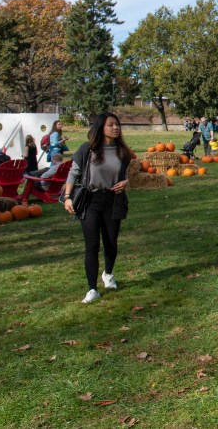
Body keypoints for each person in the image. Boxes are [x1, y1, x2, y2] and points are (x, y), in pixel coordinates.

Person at [62, 112, 135, 304]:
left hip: (114, 200)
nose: (115, 128)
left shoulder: (123, 151)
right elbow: (73, 173)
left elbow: (133, 174)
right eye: (111, 125)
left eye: (117, 124)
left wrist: (126, 181)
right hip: (91, 201)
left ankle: (108, 274)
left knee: (111, 243)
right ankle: (92, 288)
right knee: (91, 245)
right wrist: (68, 197)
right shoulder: (87, 149)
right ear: (101, 127)